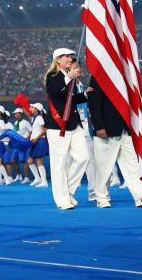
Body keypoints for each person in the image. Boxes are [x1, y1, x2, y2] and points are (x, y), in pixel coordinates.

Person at [87, 76, 142, 208]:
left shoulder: (125, 73)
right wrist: (99, 126)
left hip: (125, 129)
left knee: (132, 165)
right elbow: (94, 103)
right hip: (106, 130)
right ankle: (102, 198)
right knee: (103, 167)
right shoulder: (99, 75)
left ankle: (141, 196)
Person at [44, 48, 91, 210]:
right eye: (66, 56)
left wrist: (84, 94)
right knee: (59, 164)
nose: (70, 58)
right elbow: (54, 93)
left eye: (71, 56)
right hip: (57, 126)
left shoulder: (71, 78)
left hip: (74, 123)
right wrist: (68, 77)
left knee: (83, 157)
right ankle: (61, 200)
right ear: (58, 60)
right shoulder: (52, 76)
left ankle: (68, 191)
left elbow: (70, 99)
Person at [26, 104, 49, 187]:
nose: (30, 109)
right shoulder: (35, 118)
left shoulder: (39, 117)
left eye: (32, 107)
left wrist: (36, 138)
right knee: (30, 161)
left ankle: (44, 182)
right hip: (34, 142)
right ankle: (37, 178)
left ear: (37, 109)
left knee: (39, 161)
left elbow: (44, 130)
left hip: (39, 141)